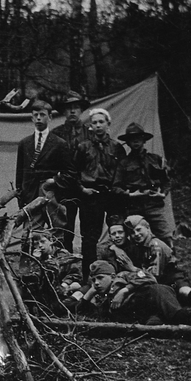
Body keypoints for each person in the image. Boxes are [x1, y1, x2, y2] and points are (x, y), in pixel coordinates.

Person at [66, 260, 191, 330]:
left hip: (156, 293)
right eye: (93, 280)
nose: (96, 282)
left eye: (100, 278)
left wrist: (125, 290)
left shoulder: (123, 277)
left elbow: (149, 277)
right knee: (158, 324)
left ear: (111, 276)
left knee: (177, 315)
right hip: (149, 309)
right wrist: (91, 291)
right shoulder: (105, 301)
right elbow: (83, 310)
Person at [123, 215, 191, 310]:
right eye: (132, 232)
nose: (136, 234)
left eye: (139, 230)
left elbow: (154, 275)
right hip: (161, 277)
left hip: (170, 277)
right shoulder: (140, 246)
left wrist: (135, 271)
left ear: (148, 228)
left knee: (183, 291)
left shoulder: (156, 246)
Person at [67, 106, 118, 280]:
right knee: (89, 239)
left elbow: (121, 172)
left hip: (112, 196)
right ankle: (90, 277)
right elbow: (73, 172)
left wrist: (117, 191)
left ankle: (117, 273)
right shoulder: (83, 147)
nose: (98, 125)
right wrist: (82, 189)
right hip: (90, 197)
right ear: (90, 126)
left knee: (118, 234)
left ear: (108, 124)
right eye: (94, 122)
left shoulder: (117, 147)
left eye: (101, 122)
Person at [113, 122, 174, 245]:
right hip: (134, 207)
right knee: (136, 240)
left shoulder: (155, 159)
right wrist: (130, 194)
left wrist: (162, 194)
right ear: (128, 143)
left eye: (138, 138)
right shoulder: (123, 163)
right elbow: (115, 187)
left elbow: (167, 181)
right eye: (132, 139)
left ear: (144, 140)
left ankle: (170, 263)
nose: (135, 141)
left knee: (165, 237)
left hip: (154, 206)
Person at [14, 97, 71, 217]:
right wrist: (21, 196)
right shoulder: (24, 143)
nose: (38, 118)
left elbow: (67, 173)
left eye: (42, 115)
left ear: (50, 117)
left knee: (56, 231)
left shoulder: (60, 143)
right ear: (32, 118)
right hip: (30, 195)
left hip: (51, 195)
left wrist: (54, 182)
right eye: (35, 115)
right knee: (31, 232)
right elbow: (20, 173)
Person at [50, 90, 91, 252]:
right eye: (69, 108)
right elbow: (51, 161)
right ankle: (63, 262)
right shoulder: (56, 134)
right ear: (63, 112)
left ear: (81, 110)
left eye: (76, 107)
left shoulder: (90, 133)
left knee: (88, 228)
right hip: (64, 188)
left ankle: (87, 264)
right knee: (65, 227)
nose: (72, 111)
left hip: (86, 186)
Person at [19, 228, 82, 312]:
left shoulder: (62, 254)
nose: (40, 245)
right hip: (42, 290)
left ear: (51, 241)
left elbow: (75, 274)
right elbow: (28, 276)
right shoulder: (33, 256)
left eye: (43, 241)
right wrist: (36, 260)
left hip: (61, 288)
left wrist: (65, 284)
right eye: (36, 243)